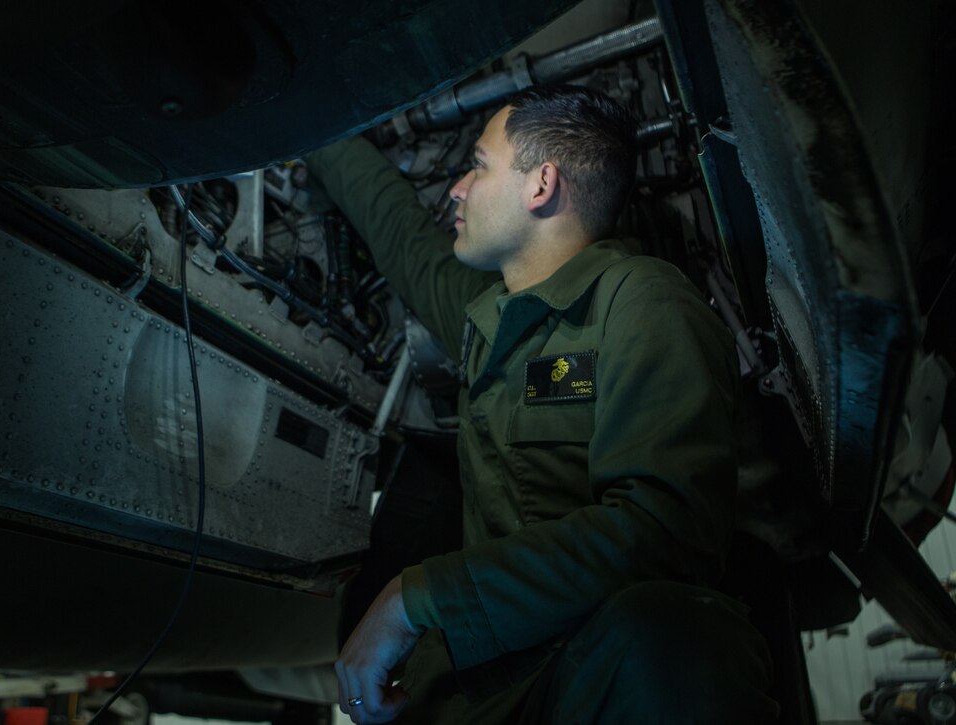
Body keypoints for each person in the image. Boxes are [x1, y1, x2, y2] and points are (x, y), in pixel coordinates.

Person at [306, 85, 779, 724]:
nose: (457, 188)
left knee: (668, 637)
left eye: (478, 165)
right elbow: (399, 235)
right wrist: (304, 125)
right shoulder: (487, 320)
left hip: (596, 673)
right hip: (493, 687)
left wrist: (413, 599)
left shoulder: (642, 302)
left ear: (541, 185)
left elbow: (662, 532)